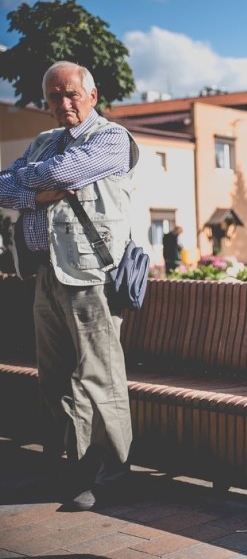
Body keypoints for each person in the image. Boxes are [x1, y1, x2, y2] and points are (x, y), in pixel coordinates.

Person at [0, 61, 139, 512]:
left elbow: (62, 174)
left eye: (71, 94)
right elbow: (4, 186)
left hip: (89, 277)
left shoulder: (111, 139)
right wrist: (37, 192)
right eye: (54, 97)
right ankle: (71, 472)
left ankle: (114, 475)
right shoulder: (43, 142)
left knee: (100, 378)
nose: (63, 103)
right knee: (54, 381)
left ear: (92, 95)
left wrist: (39, 182)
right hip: (44, 274)